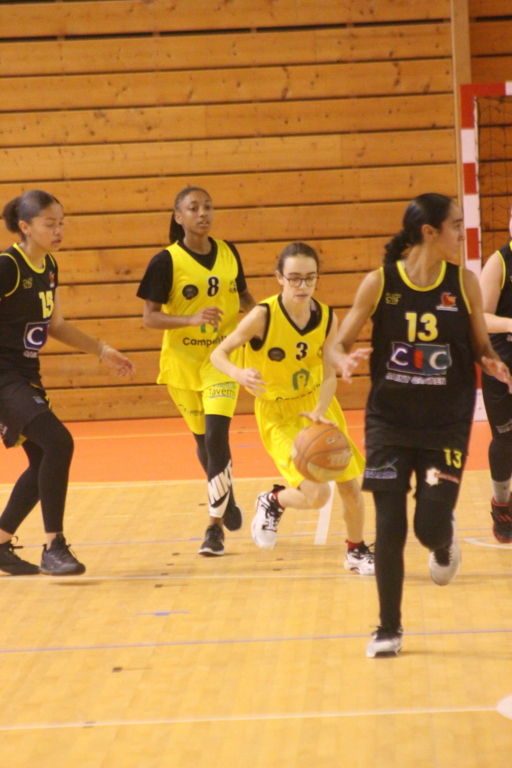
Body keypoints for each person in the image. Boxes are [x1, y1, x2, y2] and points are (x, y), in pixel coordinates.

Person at [329, 193, 512, 658]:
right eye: (455, 225)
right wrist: (342, 359)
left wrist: (491, 362)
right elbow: (337, 343)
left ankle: (443, 539)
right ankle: (388, 627)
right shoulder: (380, 282)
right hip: (389, 420)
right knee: (389, 526)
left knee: (428, 527)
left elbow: (480, 345)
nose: (462, 233)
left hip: (445, 422)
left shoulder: (463, 283)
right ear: (429, 232)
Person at [210, 242, 374, 575]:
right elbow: (218, 354)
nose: (302, 285)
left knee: (350, 487)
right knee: (318, 496)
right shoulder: (262, 316)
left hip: (317, 408)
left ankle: (356, 551)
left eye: (310, 278)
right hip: (278, 414)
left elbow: (328, 374)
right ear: (280, 278)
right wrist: (238, 373)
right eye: (295, 278)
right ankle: (273, 501)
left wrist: (320, 409)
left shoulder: (326, 317)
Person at [0, 190, 135, 577]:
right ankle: (53, 545)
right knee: (59, 442)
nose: (58, 230)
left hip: (26, 373)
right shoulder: (7, 266)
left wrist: (101, 350)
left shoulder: (48, 266)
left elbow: (55, 325)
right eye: (50, 224)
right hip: (3, 375)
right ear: (25, 227)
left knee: (44, 458)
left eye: (61, 223)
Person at [136, 186, 255, 556]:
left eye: (208, 206)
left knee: (217, 438)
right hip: (183, 365)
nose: (203, 213)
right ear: (179, 216)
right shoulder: (166, 261)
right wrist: (189, 319)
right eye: (193, 208)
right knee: (203, 442)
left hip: (222, 360)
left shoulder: (229, 252)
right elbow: (150, 318)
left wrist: (261, 323)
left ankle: (213, 528)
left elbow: (245, 297)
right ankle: (226, 494)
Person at [480, 204, 512, 543]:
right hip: (503, 364)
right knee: (505, 441)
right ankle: (502, 503)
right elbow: (481, 317)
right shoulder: (500, 262)